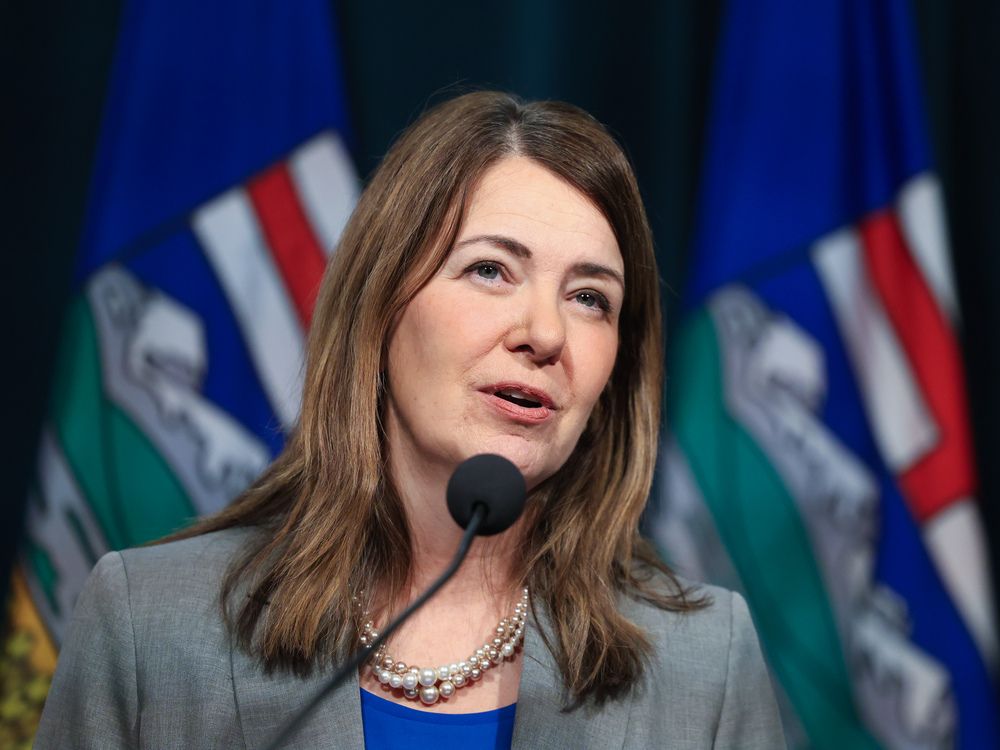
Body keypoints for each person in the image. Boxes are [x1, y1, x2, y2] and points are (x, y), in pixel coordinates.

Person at [35, 91, 783, 749]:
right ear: (381, 309)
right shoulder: (149, 627)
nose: (545, 334)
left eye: (590, 298)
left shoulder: (704, 664)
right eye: (490, 270)